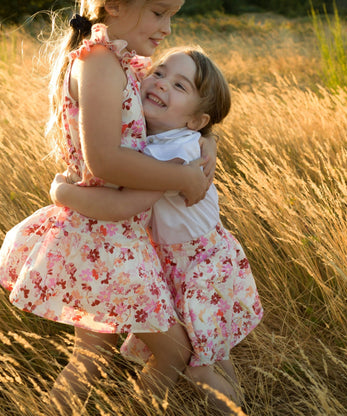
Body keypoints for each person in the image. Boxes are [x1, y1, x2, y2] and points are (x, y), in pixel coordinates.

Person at [0, 1, 217, 413]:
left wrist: (207, 140)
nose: (167, 28)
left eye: (172, 14)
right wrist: (184, 178)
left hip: (107, 233)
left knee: (91, 358)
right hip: (110, 236)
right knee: (175, 352)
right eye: (158, 12)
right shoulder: (99, 62)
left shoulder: (118, 60)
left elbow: (173, 117)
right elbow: (104, 160)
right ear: (114, 6)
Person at [50, 46, 264, 412]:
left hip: (198, 267)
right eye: (160, 73)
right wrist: (206, 138)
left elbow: (122, 204)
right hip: (194, 260)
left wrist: (61, 192)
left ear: (196, 121)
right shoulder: (165, 137)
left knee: (199, 366)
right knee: (209, 355)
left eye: (180, 86)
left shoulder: (173, 155)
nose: (162, 84)